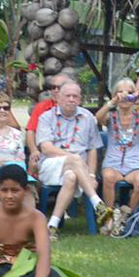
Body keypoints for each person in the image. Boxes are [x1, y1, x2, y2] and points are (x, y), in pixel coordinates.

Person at [31, 77, 108, 232]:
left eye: (75, 96)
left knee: (71, 177)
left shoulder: (87, 118)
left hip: (79, 172)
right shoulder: (46, 117)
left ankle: (52, 224)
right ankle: (97, 203)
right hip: (51, 165)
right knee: (75, 159)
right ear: (58, 97)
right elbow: (46, 148)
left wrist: (92, 175)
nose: (72, 99)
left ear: (80, 99)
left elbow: (93, 149)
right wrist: (72, 157)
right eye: (68, 96)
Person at [98, 80, 139, 234]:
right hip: (113, 162)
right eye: (121, 92)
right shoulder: (111, 115)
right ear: (115, 95)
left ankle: (126, 216)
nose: (125, 96)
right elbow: (97, 118)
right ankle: (109, 217)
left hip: (133, 163)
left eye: (129, 93)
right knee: (109, 176)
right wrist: (112, 103)